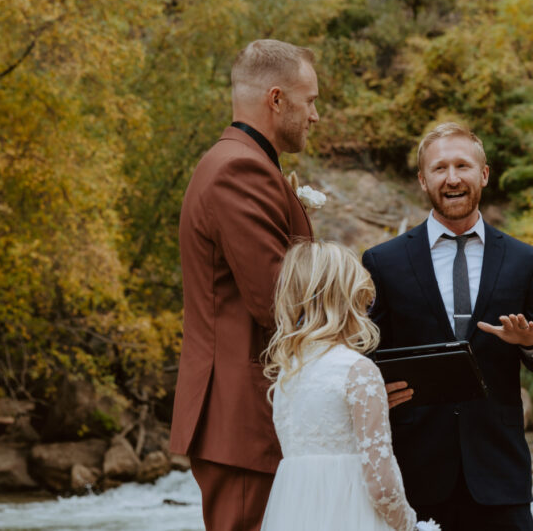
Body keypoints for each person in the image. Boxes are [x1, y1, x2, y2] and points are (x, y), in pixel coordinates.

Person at [362, 122, 533, 531]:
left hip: (500, 476)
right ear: (423, 180)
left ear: (484, 174)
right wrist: (375, 392)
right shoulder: (382, 262)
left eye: (463, 165)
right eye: (440, 168)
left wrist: (531, 341)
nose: (453, 178)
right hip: (414, 477)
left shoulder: (525, 260)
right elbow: (365, 355)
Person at [169, 39, 319, 531]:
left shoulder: (244, 162)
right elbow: (278, 300)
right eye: (310, 100)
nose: (315, 116)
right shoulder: (240, 168)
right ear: (276, 100)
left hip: (245, 414)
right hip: (241, 414)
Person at [259, 241, 439, 531]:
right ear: (349, 301)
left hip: (296, 515)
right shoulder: (357, 370)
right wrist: (410, 526)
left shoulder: (289, 371)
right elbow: (381, 486)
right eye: (365, 301)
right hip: (353, 517)